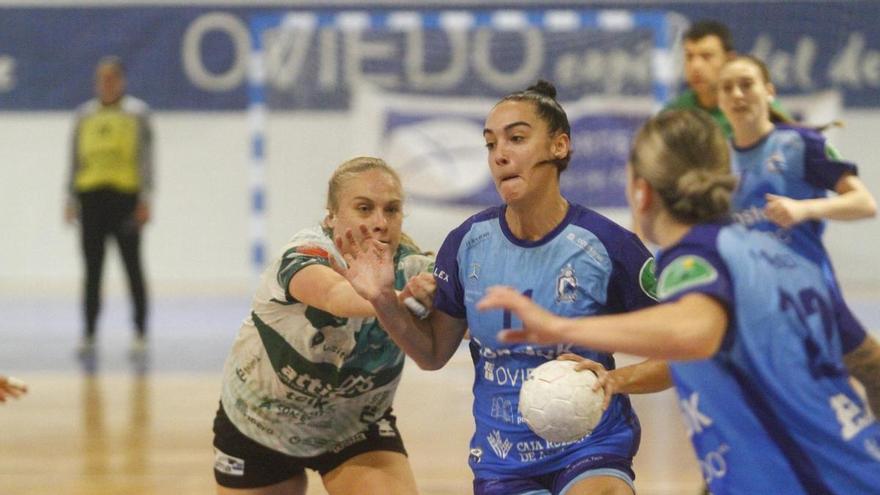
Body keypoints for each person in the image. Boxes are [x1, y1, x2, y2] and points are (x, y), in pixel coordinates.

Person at [478, 109, 880, 494]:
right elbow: (871, 364)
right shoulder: (787, 257)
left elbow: (696, 332)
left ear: (642, 191)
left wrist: (559, 327)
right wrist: (613, 379)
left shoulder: (694, 258)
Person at [337, 81, 664, 495]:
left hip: (591, 446)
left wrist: (617, 381)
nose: (500, 155)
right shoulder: (467, 243)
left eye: (517, 138)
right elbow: (433, 353)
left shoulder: (607, 245)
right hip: (503, 460)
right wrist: (383, 299)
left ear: (559, 146)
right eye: (491, 144)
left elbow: (682, 355)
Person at [212, 156, 435, 495]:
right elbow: (333, 294)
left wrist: (450, 309)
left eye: (391, 210)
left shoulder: (414, 268)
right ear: (331, 216)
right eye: (364, 208)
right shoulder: (306, 253)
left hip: (353, 425)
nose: (380, 222)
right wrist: (391, 300)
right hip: (258, 422)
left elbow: (465, 326)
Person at [718, 54, 880, 414]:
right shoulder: (716, 161)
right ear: (719, 100)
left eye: (747, 84)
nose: (737, 94)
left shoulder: (800, 144)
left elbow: (864, 203)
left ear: (769, 91)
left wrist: (803, 209)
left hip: (812, 298)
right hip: (753, 304)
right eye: (727, 88)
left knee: (875, 372)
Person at [65, 56, 154, 354]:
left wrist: (145, 198)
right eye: (101, 79)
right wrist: (70, 198)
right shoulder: (84, 116)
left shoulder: (137, 114)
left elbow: (147, 159)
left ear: (121, 81)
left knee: (132, 267)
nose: (107, 84)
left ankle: (140, 333)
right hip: (91, 199)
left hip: (124, 199)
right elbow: (74, 159)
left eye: (112, 78)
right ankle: (89, 333)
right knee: (92, 270)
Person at [663, 19, 788, 137]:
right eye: (689, 57)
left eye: (706, 56)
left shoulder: (759, 108)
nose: (696, 66)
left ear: (729, 60)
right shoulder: (674, 114)